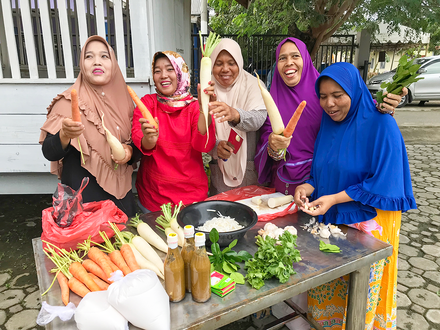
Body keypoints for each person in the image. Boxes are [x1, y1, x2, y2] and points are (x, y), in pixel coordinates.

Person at [294, 62, 417, 329]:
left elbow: (384, 182)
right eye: (323, 96)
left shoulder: (381, 124)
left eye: (338, 95)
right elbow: (324, 171)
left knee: (360, 298)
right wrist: (307, 187)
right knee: (331, 287)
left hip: (371, 223)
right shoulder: (328, 125)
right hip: (337, 221)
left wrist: (335, 199)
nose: (329, 103)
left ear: (354, 90)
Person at [255, 37, 406, 196]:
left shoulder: (325, 92)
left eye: (295, 56)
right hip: (283, 183)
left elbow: (358, 109)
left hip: (326, 180)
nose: (288, 62)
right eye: (282, 58)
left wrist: (385, 106)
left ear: (306, 59)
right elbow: (267, 139)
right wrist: (274, 147)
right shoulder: (272, 100)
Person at [40, 35, 137, 217]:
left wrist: (130, 152)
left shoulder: (126, 102)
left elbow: (137, 146)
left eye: (104, 56)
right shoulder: (68, 101)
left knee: (125, 244)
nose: (96, 62)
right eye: (89, 56)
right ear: (82, 64)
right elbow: (49, 152)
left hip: (121, 201)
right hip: (82, 206)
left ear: (113, 63)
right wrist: (64, 135)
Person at [131, 51, 216, 212]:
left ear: (180, 71)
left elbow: (203, 146)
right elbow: (141, 142)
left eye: (170, 69)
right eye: (157, 71)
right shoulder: (148, 103)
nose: (163, 75)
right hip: (153, 198)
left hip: (190, 199)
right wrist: (149, 139)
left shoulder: (194, 107)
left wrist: (205, 111)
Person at [204, 38, 267, 195]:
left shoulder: (253, 84)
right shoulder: (207, 87)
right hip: (220, 168)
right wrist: (215, 147)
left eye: (231, 63)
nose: (225, 69)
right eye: (219, 63)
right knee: (221, 215)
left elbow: (259, 119)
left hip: (249, 167)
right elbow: (201, 128)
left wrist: (235, 114)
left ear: (239, 62)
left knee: (251, 210)